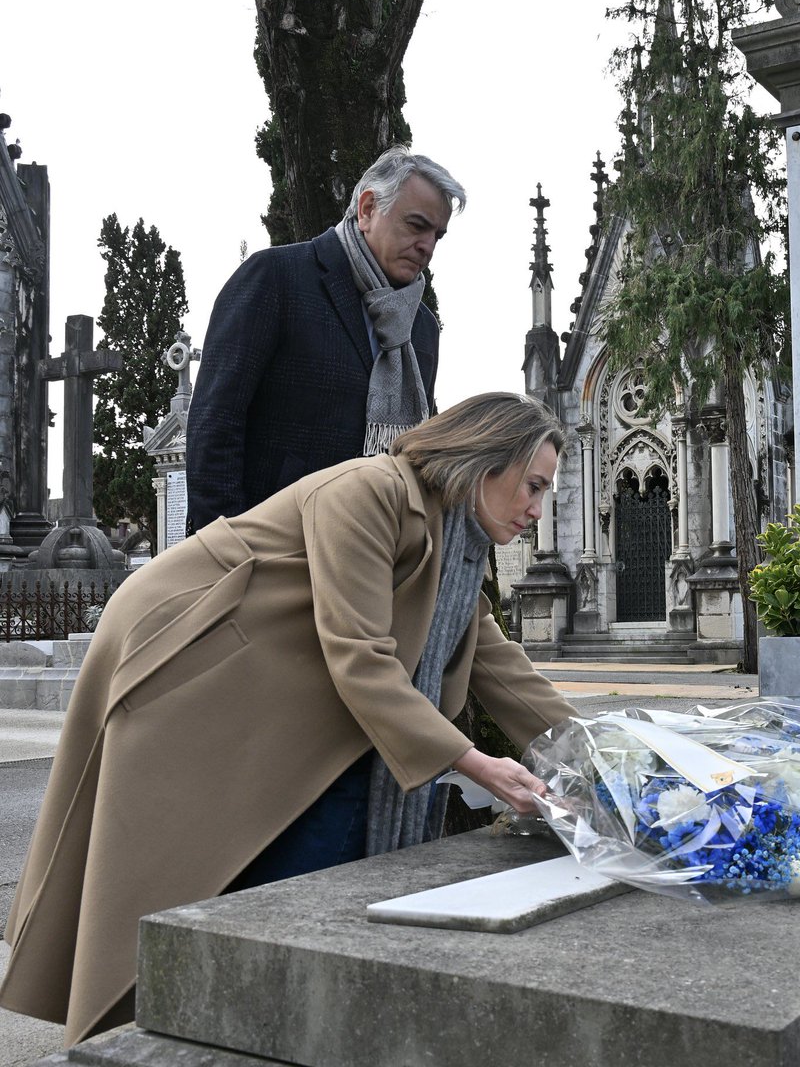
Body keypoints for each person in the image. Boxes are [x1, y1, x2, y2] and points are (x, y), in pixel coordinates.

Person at [0, 393, 575, 1047]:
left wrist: (602, 754)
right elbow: (359, 655)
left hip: (257, 680)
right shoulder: (368, 492)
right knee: (171, 870)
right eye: (532, 486)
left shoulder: (456, 542)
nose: (537, 508)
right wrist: (477, 764)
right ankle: (155, 1033)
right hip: (190, 663)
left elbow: (495, 663)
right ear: (483, 461)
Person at [185, 145, 466, 533]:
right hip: (271, 549)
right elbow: (215, 425)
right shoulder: (276, 278)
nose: (428, 246)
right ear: (367, 209)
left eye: (438, 235)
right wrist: (232, 549)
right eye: (416, 226)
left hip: (375, 553)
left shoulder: (421, 328)